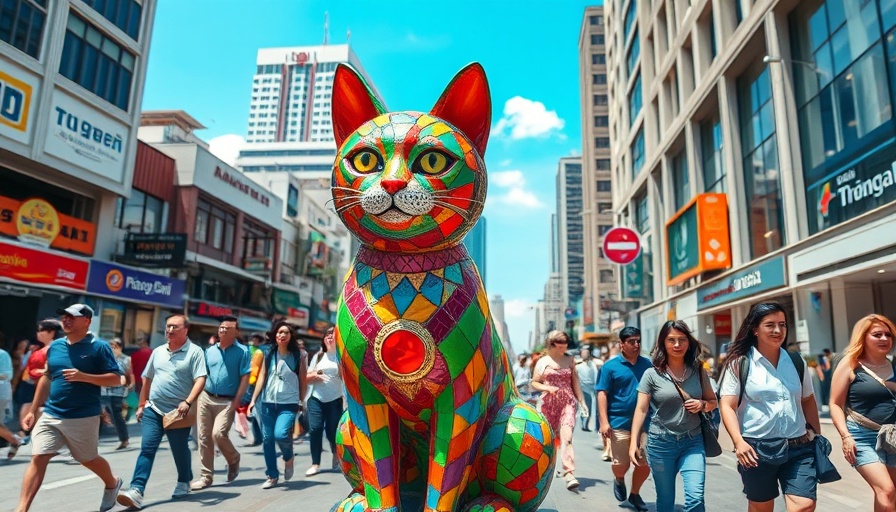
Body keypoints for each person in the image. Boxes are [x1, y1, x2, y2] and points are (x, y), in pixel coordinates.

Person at [16, 304, 124, 512]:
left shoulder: (98, 347)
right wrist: (33, 409)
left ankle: (112, 482)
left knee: (88, 459)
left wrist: (84, 377)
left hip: (82, 416)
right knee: (39, 456)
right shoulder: (55, 346)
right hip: (52, 413)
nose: (66, 320)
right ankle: (22, 509)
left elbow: (116, 379)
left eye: (72, 316)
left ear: (87, 321)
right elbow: (47, 377)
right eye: (64, 316)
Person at [719, 302, 821, 512]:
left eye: (782, 325)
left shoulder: (796, 361)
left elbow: (808, 399)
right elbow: (727, 406)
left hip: (798, 446)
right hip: (756, 449)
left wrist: (817, 437)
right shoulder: (739, 364)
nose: (778, 330)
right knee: (761, 507)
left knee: (804, 505)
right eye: (770, 325)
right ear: (755, 329)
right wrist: (739, 442)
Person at [117, 314, 207, 509]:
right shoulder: (158, 351)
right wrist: (142, 405)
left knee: (179, 449)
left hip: (178, 412)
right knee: (147, 448)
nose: (170, 330)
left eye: (175, 327)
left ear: (186, 330)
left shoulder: (195, 352)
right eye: (168, 326)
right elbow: (147, 378)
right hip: (154, 409)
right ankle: (137, 490)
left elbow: (200, 379)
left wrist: (188, 402)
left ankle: (184, 480)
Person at [630, 320, 717, 512]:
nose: (677, 345)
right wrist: (633, 443)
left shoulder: (698, 371)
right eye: (671, 340)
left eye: (682, 340)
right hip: (661, 444)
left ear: (689, 342)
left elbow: (713, 402)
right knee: (665, 502)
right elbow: (641, 410)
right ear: (663, 343)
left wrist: (702, 404)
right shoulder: (651, 374)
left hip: (692, 442)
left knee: (695, 499)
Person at [829, 314, 896, 511]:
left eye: (888, 334)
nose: (884, 339)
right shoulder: (850, 364)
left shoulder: (894, 364)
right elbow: (834, 404)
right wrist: (845, 437)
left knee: (889, 495)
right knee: (886, 489)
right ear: (863, 337)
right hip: (862, 437)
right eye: (877, 334)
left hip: (892, 436)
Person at [190, 316, 251, 491]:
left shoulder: (243, 351)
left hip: (228, 401)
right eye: (221, 328)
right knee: (204, 437)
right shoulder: (209, 351)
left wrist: (237, 401)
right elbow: (202, 375)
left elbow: (245, 377)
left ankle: (233, 459)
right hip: (206, 397)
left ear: (236, 332)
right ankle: (206, 477)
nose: (223, 330)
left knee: (218, 433)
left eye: (228, 328)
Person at [596, 326, 651, 512]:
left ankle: (635, 494)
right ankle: (619, 479)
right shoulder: (610, 367)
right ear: (622, 344)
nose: (636, 345)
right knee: (621, 464)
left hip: (646, 423)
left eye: (638, 341)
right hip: (619, 422)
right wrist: (604, 421)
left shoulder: (648, 365)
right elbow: (602, 393)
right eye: (631, 341)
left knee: (645, 461)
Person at [249, 321, 307, 489]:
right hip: (267, 402)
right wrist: (254, 399)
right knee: (267, 439)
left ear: (291, 336)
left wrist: (301, 401)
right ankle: (272, 475)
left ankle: (288, 457)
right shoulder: (269, 353)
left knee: (281, 435)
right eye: (279, 332)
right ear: (275, 335)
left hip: (288, 403)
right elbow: (262, 377)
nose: (282, 335)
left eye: (285, 333)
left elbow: (302, 380)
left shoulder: (298, 355)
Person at [531, 330, 589, 491]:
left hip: (567, 402)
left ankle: (569, 472)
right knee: (549, 439)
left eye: (565, 342)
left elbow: (575, 382)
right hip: (548, 404)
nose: (564, 345)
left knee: (567, 437)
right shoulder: (543, 362)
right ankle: (547, 467)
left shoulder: (570, 360)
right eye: (560, 342)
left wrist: (582, 402)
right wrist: (547, 387)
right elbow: (534, 383)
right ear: (552, 343)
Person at [305, 326, 344, 476]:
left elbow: (345, 378)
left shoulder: (341, 357)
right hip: (316, 398)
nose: (330, 337)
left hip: (335, 399)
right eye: (327, 335)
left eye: (333, 335)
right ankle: (315, 463)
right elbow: (307, 378)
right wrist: (315, 375)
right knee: (314, 429)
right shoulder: (318, 357)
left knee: (332, 432)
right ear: (323, 339)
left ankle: (336, 453)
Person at [101, 338, 133, 450]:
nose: (112, 349)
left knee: (116, 414)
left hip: (118, 391)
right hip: (104, 390)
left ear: (120, 347)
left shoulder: (126, 359)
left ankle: (124, 439)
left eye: (114, 346)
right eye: (110, 346)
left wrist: (129, 387)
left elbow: (129, 374)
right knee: (108, 413)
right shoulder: (105, 358)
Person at [236, 333, 265, 443]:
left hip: (252, 382)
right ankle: (257, 435)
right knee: (249, 408)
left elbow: (255, 368)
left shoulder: (258, 352)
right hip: (248, 380)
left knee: (245, 406)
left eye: (255, 339)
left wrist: (251, 381)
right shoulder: (249, 350)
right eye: (251, 339)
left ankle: (251, 430)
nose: (252, 341)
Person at [575, 346, 601, 432]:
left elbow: (596, 375)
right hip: (582, 388)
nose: (584, 355)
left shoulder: (593, 365)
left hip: (591, 388)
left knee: (590, 408)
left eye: (586, 353)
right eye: (583, 353)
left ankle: (586, 424)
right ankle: (583, 424)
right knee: (583, 407)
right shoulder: (578, 366)